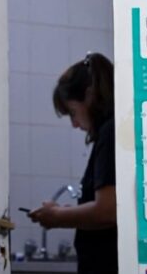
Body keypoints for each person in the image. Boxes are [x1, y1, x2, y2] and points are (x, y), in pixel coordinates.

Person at [28, 53, 118, 274]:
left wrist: (57, 217)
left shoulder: (110, 132)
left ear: (89, 96)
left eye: (73, 113)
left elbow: (108, 211)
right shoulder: (111, 133)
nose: (75, 124)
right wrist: (67, 213)